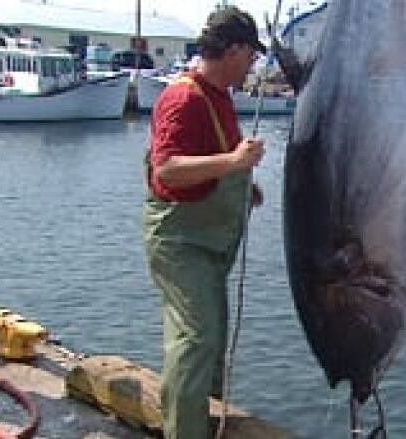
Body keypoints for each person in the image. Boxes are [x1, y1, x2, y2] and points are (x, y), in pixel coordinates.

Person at [143, 6, 266, 439]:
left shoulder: (219, 97)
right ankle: (184, 432)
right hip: (182, 240)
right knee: (194, 340)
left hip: (211, 241)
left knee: (209, 343)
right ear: (233, 50)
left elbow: (209, 159)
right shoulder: (184, 97)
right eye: (251, 54)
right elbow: (168, 169)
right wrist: (233, 161)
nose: (254, 64)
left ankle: (201, 423)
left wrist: (241, 180)